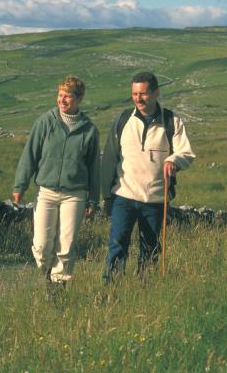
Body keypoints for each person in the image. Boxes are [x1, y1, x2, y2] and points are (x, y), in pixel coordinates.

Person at [101, 72, 195, 282]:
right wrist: (106, 195)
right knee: (117, 244)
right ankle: (111, 288)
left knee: (150, 247)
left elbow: (186, 152)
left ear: (156, 93)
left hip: (155, 198)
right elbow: (109, 158)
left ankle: (146, 287)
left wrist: (174, 160)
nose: (138, 98)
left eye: (143, 93)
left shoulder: (171, 121)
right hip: (123, 195)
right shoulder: (123, 120)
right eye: (135, 94)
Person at [12, 75, 100, 286]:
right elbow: (30, 155)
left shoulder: (89, 130)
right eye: (60, 95)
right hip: (47, 192)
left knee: (66, 246)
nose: (62, 100)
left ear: (78, 99)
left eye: (67, 96)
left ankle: (58, 288)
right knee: (42, 246)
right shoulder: (45, 122)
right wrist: (20, 185)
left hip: (75, 194)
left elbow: (94, 168)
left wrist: (93, 199)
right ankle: (47, 275)